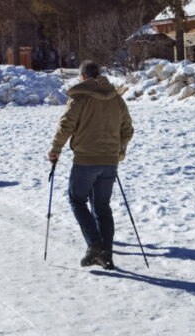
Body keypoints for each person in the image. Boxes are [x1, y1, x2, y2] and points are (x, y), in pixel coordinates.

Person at [48, 60, 134, 270]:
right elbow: (128, 130)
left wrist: (55, 149)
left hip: (86, 160)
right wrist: (119, 150)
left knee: (77, 200)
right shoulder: (117, 99)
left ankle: (95, 245)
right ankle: (106, 254)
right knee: (102, 206)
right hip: (109, 162)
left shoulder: (80, 98)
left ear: (83, 77)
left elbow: (66, 125)